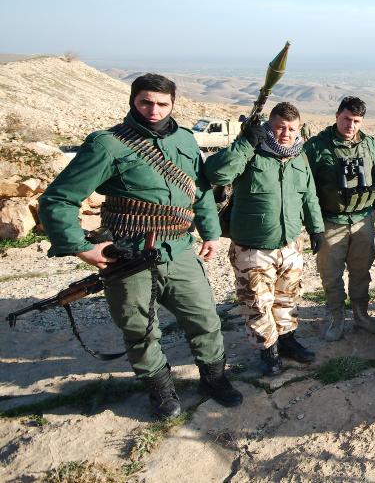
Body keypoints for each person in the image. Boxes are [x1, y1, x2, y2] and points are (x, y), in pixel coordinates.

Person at [38, 73, 242, 420]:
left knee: (206, 319)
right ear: (133, 101)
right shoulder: (108, 144)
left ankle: (214, 378)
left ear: (173, 104)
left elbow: (201, 191)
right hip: (128, 255)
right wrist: (79, 247)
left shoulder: (186, 141)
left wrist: (209, 233)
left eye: (162, 103)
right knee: (140, 329)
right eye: (146, 102)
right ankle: (161, 391)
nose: (154, 110)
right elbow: (58, 199)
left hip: (178, 251)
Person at [204, 102, 325, 376]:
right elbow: (216, 173)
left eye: (291, 128)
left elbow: (309, 195)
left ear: (298, 130)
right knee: (257, 302)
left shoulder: (300, 157)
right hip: (253, 247)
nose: (285, 133)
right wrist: (245, 143)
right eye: (280, 126)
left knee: (287, 298)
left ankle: (286, 340)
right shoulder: (252, 153)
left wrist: (316, 228)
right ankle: (267, 350)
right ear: (269, 126)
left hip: (290, 244)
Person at [304, 96, 375, 340]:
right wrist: (313, 223)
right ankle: (336, 318)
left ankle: (361, 315)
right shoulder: (318, 146)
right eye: (346, 119)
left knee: (361, 271)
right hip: (332, 221)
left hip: (363, 220)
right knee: (331, 273)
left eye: (356, 121)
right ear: (337, 116)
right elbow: (307, 187)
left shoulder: (369, 143)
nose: (351, 125)